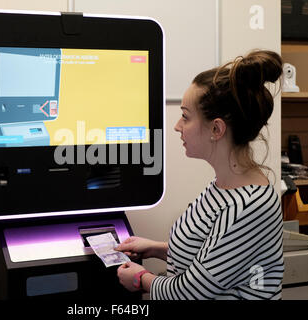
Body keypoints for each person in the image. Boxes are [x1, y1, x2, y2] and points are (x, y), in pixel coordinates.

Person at [116, 50, 285, 300]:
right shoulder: (222, 187)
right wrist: (155, 248)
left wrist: (142, 279)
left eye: (185, 117)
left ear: (216, 129)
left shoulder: (249, 206)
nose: (177, 126)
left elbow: (192, 291)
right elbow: (212, 259)